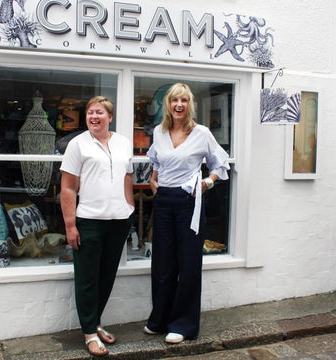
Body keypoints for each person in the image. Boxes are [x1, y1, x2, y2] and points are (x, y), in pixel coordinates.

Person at [143, 83, 230, 344]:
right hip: (163, 201)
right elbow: (157, 160)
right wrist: (153, 180)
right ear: (167, 104)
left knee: (188, 263)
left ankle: (183, 324)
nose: (178, 105)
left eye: (183, 100)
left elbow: (220, 161)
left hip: (189, 201)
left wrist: (208, 182)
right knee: (162, 263)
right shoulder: (159, 132)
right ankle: (160, 319)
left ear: (189, 104)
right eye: (174, 100)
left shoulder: (201, 133)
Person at [60, 96, 135, 356]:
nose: (94, 117)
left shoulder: (124, 142)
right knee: (87, 279)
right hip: (89, 221)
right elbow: (68, 188)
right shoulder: (77, 144)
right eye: (90, 112)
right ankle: (89, 333)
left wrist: (130, 207)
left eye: (99, 113)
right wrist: (71, 225)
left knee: (106, 276)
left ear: (110, 117)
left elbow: (127, 176)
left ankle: (96, 322)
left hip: (119, 220)